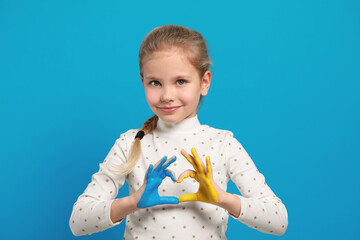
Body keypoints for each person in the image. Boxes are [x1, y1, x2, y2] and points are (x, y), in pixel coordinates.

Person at [69, 24, 288, 239]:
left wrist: (223, 199)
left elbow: (278, 220)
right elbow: (77, 222)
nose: (167, 95)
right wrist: (133, 201)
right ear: (142, 81)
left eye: (180, 81)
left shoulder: (224, 144)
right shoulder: (129, 143)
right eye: (155, 82)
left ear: (204, 83)